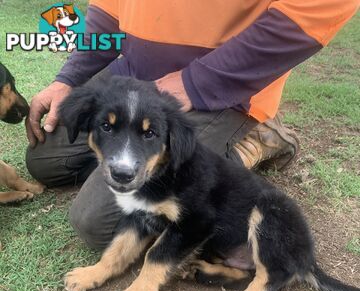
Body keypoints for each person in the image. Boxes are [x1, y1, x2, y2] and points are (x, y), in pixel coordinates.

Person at [26, 0, 358, 251]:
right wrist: (68, 78)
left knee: (98, 221)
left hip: (220, 90)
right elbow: (108, 10)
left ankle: (256, 137)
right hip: (134, 74)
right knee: (45, 158)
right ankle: (178, 156)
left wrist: (196, 81)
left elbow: (314, 10)